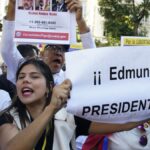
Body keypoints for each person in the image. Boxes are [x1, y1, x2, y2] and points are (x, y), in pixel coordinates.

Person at [0, 58, 148, 150]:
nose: (25, 80)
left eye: (34, 76)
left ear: (49, 87)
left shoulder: (69, 118)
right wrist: (51, 108)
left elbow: (124, 124)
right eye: (21, 77)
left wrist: (146, 112)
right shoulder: (7, 118)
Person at [1, 0, 96, 85]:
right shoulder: (27, 72)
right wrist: (12, 6)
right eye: (53, 47)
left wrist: (80, 21)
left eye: (63, 50)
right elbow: (7, 51)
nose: (58, 52)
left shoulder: (70, 79)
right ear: (41, 54)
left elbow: (93, 60)